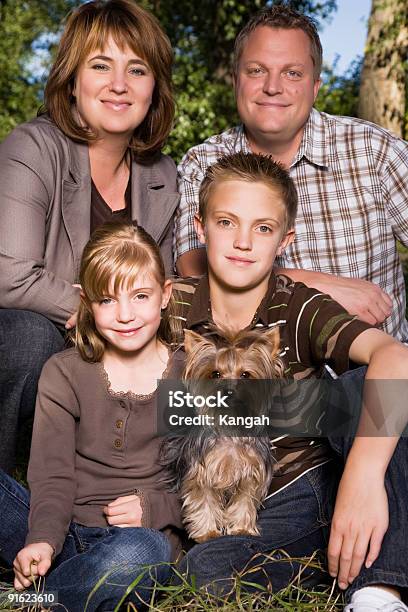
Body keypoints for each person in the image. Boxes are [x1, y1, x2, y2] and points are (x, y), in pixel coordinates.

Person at [171, 152, 408, 612]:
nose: (243, 242)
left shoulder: (299, 305)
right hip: (223, 489)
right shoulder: (170, 303)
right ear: (200, 229)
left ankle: (381, 589)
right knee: (206, 570)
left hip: (303, 482)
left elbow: (396, 356)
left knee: (364, 385)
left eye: (262, 228)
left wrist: (361, 476)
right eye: (226, 223)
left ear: (284, 239)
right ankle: (336, 560)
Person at [0, 0, 179, 473]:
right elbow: (10, 277)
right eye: (101, 65)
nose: (119, 85)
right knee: (24, 337)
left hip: (125, 354)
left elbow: (168, 287)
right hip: (48, 352)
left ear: (154, 87)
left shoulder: (163, 175)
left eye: (137, 70)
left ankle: (154, 511)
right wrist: (113, 313)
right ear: (72, 79)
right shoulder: (32, 148)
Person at [173, 4, 408, 342]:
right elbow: (193, 270)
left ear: (315, 86)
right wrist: (314, 284)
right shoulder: (203, 162)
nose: (272, 86)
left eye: (292, 73)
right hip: (254, 376)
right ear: (237, 79)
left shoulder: (373, 150)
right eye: (256, 70)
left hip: (371, 373)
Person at [0, 222, 185, 611]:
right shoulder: (65, 371)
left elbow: (213, 482)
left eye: (140, 296)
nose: (125, 315)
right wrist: (43, 541)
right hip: (59, 528)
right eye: (106, 300)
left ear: (165, 295)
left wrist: (157, 508)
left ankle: (39, 599)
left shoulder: (189, 375)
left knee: (143, 555)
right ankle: (63, 581)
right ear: (86, 302)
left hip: (135, 540)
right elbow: (52, 475)